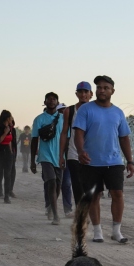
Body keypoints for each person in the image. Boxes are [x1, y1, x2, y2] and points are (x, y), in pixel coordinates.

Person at [73, 75, 134, 243]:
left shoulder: (118, 113)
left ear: (112, 91)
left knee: (118, 194)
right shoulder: (85, 110)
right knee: (94, 196)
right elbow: (78, 133)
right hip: (91, 161)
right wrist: (80, 151)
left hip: (114, 161)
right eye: (99, 87)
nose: (102, 90)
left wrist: (130, 161)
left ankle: (116, 231)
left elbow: (124, 138)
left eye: (106, 88)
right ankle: (97, 231)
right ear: (96, 91)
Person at [30, 93, 64, 224]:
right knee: (51, 182)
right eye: (49, 99)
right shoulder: (39, 119)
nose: (51, 101)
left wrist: (66, 156)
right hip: (45, 156)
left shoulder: (62, 119)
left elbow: (66, 138)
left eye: (54, 99)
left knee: (58, 185)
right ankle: (56, 215)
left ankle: (50, 206)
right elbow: (34, 140)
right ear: (45, 102)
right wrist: (32, 160)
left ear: (57, 102)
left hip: (60, 156)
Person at [59, 82, 93, 207]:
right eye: (80, 92)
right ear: (76, 94)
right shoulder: (70, 110)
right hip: (74, 154)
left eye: (86, 92)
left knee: (90, 186)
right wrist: (61, 155)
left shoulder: (97, 109)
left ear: (91, 94)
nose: (83, 94)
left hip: (92, 155)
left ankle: (89, 212)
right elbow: (64, 133)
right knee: (77, 186)